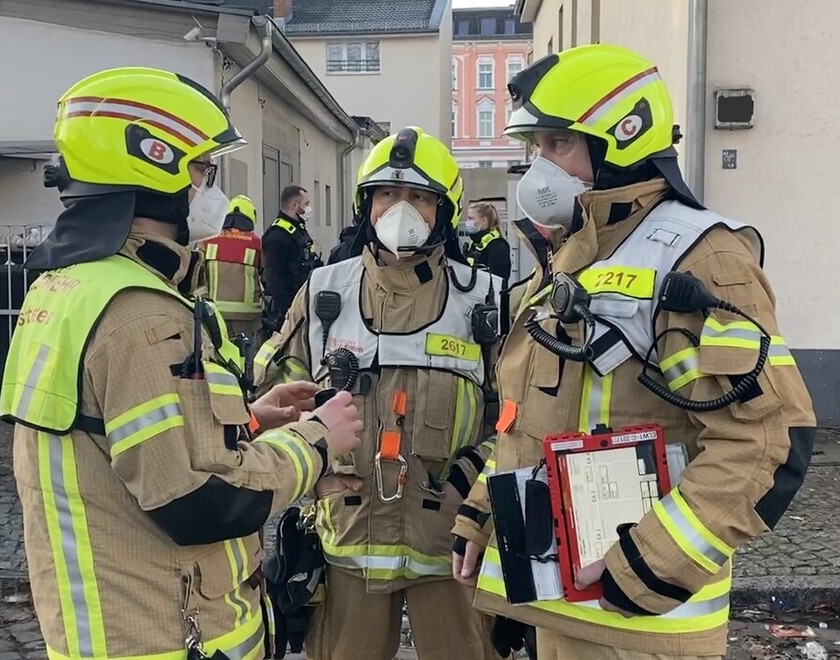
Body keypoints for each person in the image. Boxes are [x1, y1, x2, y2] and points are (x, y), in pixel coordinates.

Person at [451, 43, 816, 660]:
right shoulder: (574, 254)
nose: (541, 166)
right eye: (537, 146)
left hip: (642, 624)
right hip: (560, 602)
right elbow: (530, 419)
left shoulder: (703, 259)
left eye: (558, 144)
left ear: (622, 136)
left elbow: (766, 440)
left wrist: (648, 563)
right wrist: (485, 514)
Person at [0, 66, 362, 660]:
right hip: (165, 633)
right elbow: (198, 502)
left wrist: (247, 419)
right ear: (150, 164)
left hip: (107, 625)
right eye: (199, 169)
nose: (206, 188)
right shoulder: (141, 314)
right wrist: (316, 441)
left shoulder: (66, 288)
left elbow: (127, 438)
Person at [254, 126, 503, 660]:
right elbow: (276, 393)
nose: (401, 209)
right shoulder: (325, 292)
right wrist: (309, 466)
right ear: (365, 204)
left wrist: (474, 480)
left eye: (419, 196)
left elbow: (516, 418)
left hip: (451, 545)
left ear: (445, 209)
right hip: (347, 538)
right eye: (388, 193)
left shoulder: (483, 301)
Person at [199, 194, 265, 344]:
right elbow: (267, 276)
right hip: (247, 316)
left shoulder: (208, 240)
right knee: (246, 359)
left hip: (214, 313)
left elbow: (197, 275)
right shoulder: (256, 244)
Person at [261, 185, 323, 334]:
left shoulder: (298, 230)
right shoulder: (277, 235)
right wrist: (288, 312)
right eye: (306, 204)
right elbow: (274, 279)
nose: (309, 208)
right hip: (288, 312)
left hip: (304, 305)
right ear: (295, 206)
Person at [460, 202, 512, 281]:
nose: (467, 222)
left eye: (471, 218)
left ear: (484, 220)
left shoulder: (498, 246)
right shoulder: (476, 243)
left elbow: (498, 280)